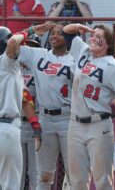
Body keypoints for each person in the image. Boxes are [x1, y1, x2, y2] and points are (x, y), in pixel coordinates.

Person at [62, 23, 115, 190]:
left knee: (102, 180)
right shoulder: (83, 51)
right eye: (93, 35)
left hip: (98, 126)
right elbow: (66, 32)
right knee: (76, 180)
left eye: (99, 37)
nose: (94, 39)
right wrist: (79, 26)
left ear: (108, 44)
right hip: (75, 124)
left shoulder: (114, 67)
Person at [11, 22, 75, 190]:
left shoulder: (75, 59)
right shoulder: (39, 54)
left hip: (68, 118)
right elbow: (11, 43)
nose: (54, 36)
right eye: (52, 33)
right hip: (44, 118)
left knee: (73, 172)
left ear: (69, 37)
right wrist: (31, 30)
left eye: (60, 33)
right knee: (44, 175)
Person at [0, 26, 30, 189]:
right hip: (6, 129)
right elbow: (12, 42)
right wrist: (29, 32)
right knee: (10, 185)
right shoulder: (6, 63)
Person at [20, 34, 42, 190]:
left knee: (36, 172)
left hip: (36, 121)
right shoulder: (12, 68)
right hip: (17, 122)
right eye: (28, 46)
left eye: (34, 47)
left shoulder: (42, 72)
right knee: (17, 171)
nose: (30, 50)